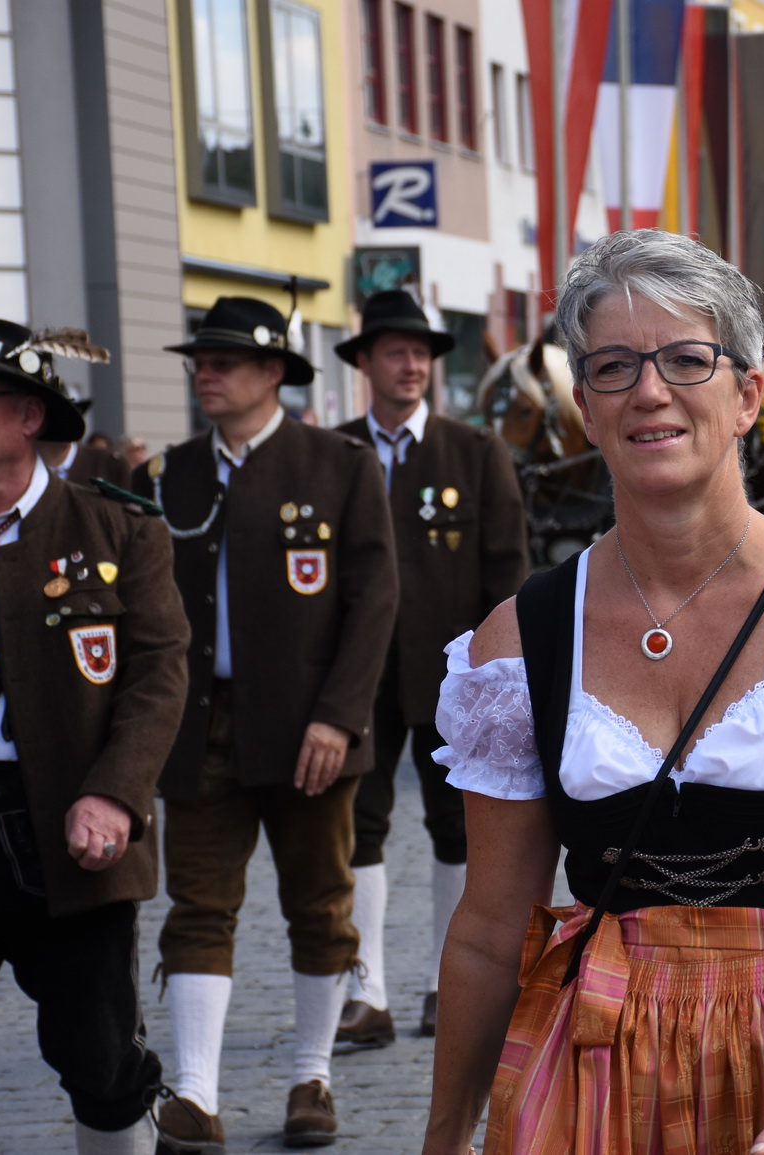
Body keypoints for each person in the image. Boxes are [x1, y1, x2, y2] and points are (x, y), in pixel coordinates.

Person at [424, 230, 764, 1155]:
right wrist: (441, 1139)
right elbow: (485, 929)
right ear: (585, 407)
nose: (650, 390)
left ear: (748, 394)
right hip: (601, 1065)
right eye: (615, 366)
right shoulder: (520, 639)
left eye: (685, 358)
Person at [135, 296, 399, 1151]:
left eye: (224, 361)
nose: (204, 373)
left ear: (274, 373)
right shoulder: (169, 473)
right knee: (197, 906)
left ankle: (310, 1078)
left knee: (320, 905)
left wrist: (339, 717)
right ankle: (193, 1095)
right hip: (200, 725)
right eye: (199, 361)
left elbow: (373, 602)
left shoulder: (339, 465)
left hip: (307, 729)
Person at [0, 320, 189, 1155]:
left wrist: (114, 791)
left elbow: (157, 671)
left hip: (70, 821)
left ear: (28, 415)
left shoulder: (115, 529)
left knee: (99, 1054)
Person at [332, 291, 529, 1045]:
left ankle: (446, 984)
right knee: (359, 828)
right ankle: (365, 990)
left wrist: (496, 678)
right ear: (366, 364)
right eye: (395, 352)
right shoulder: (338, 452)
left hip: (456, 677)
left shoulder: (475, 452)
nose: (411, 365)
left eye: (421, 353)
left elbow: (506, 575)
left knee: (459, 828)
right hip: (360, 674)